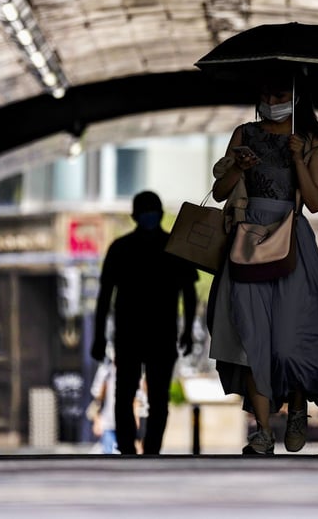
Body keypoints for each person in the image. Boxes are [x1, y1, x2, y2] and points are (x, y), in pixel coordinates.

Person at [208, 67, 318, 455]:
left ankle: (297, 408)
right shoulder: (244, 134)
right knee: (250, 337)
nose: (272, 103)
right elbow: (218, 191)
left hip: (292, 240)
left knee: (291, 339)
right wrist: (239, 168)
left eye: (280, 96)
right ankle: (261, 431)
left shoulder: (310, 142)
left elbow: (314, 201)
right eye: (267, 95)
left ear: (296, 97)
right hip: (246, 240)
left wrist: (298, 159)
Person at [90, 190, 198, 455]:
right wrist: (186, 331)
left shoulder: (120, 248)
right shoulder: (175, 249)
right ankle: (151, 449)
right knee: (156, 397)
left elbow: (105, 296)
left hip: (130, 334)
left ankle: (129, 448)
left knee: (125, 394)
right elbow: (189, 292)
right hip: (160, 334)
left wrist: (99, 336)